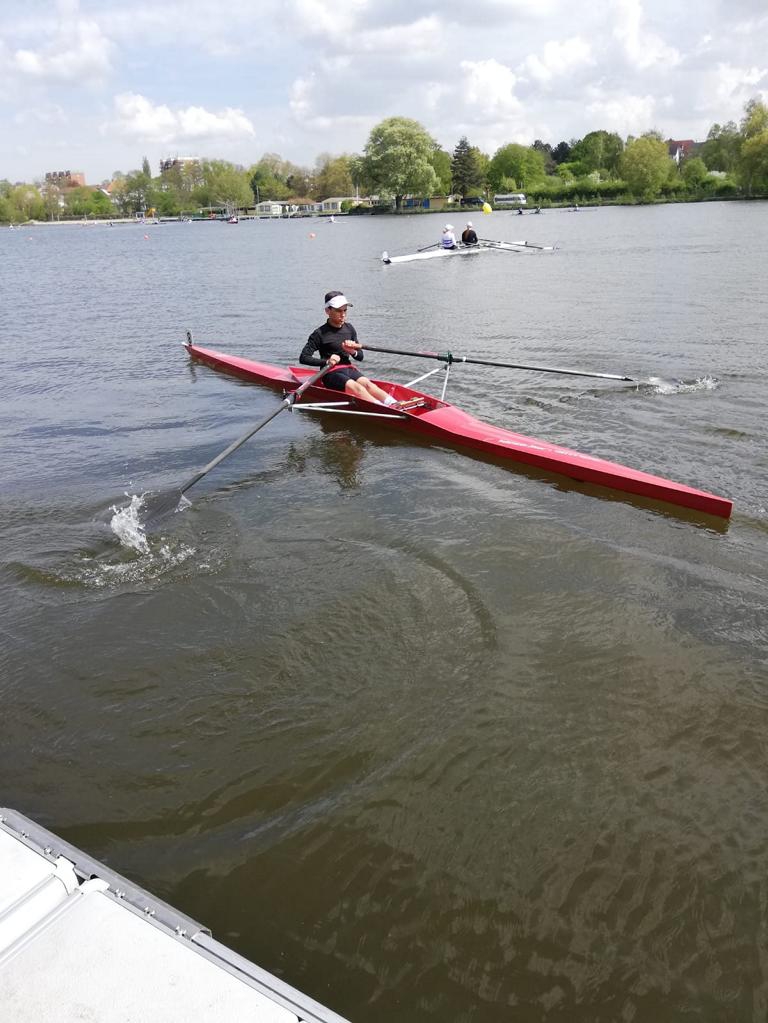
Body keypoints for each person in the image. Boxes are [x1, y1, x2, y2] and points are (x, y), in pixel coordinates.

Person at [299, 291, 397, 405]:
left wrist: (352, 352)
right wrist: (327, 361)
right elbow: (303, 357)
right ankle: (381, 408)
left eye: (345, 310)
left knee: (368, 384)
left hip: (348, 369)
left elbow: (360, 357)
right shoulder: (319, 333)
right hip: (329, 373)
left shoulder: (349, 328)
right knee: (356, 387)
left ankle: (394, 403)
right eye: (338, 311)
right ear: (327, 311)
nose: (343, 314)